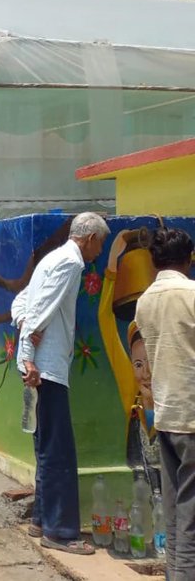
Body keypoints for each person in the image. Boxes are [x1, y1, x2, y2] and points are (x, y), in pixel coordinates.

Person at [13, 212, 109, 555]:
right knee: (59, 452)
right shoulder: (70, 263)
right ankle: (61, 532)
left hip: (41, 368)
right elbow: (40, 310)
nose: (100, 251)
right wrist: (28, 356)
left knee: (47, 447)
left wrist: (23, 334)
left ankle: (41, 520)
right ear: (89, 238)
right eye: (100, 243)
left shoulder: (51, 260)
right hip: (46, 369)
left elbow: (22, 302)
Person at [135, 227, 195, 580]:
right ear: (188, 259)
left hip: (166, 414)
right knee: (190, 516)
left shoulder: (145, 301)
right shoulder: (191, 294)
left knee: (174, 512)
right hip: (191, 413)